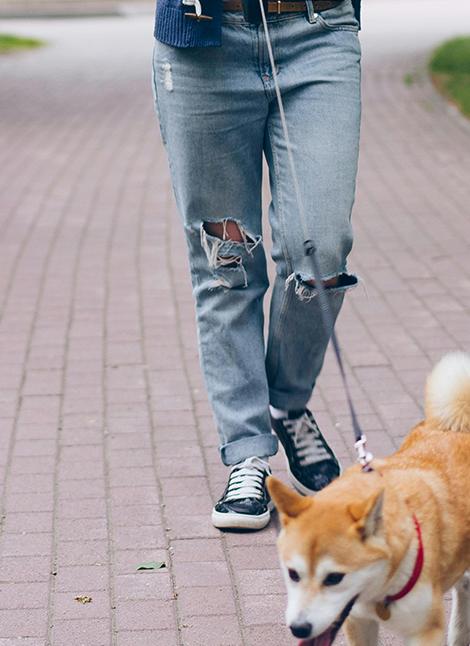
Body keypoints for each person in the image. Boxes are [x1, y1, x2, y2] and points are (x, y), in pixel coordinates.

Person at [151, 0, 362, 530]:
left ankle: (286, 404)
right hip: (203, 42)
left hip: (317, 32)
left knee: (322, 250)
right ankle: (247, 450)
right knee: (226, 264)